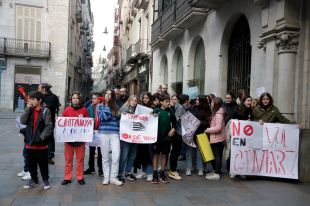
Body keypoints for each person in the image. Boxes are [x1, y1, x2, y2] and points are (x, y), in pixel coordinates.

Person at [20, 91, 53, 190]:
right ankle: (34, 179)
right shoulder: (30, 110)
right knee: (31, 164)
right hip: (29, 143)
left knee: (43, 164)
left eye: (33, 99)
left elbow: (49, 126)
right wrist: (28, 109)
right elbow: (23, 121)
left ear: (39, 100)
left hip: (41, 144)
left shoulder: (45, 111)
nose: (31, 101)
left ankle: (45, 180)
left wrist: (41, 138)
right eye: (30, 99)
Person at [61, 91, 89, 185]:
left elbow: (88, 124)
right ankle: (67, 177)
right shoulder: (67, 110)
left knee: (80, 159)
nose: (75, 100)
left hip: (80, 140)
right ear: (71, 99)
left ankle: (80, 177)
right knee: (68, 159)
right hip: (69, 140)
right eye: (73, 98)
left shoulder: (84, 110)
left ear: (79, 99)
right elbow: (62, 123)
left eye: (76, 98)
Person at [98, 89, 123, 186]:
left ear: (112, 96)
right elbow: (103, 118)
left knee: (116, 156)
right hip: (103, 133)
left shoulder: (116, 107)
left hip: (114, 133)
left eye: (110, 94)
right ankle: (106, 177)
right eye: (106, 94)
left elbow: (118, 120)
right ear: (104, 96)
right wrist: (107, 106)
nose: (108, 96)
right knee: (105, 157)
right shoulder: (100, 106)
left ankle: (113, 177)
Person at [152, 94, 176, 184]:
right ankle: (155, 173)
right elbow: (150, 121)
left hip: (166, 137)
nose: (168, 103)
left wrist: (173, 130)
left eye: (168, 101)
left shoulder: (171, 111)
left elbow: (175, 123)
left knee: (164, 155)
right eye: (166, 101)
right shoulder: (156, 111)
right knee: (156, 155)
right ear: (161, 102)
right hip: (157, 136)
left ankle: (162, 173)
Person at [187, 95, 211, 177]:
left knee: (200, 151)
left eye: (198, 100)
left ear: (202, 101)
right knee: (190, 151)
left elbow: (207, 123)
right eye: (196, 99)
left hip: (201, 132)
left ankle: (200, 168)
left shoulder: (207, 110)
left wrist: (198, 122)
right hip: (191, 133)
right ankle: (190, 168)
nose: (196, 101)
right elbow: (187, 117)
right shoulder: (192, 108)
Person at [37, 83, 60, 165]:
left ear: (44, 89)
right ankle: (45, 153)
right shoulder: (39, 96)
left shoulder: (53, 97)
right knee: (44, 136)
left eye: (39, 88)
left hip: (49, 121)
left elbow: (52, 108)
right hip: (40, 120)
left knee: (49, 137)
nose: (37, 89)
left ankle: (49, 155)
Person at [118, 95, 138, 183]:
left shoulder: (138, 110)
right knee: (124, 155)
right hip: (126, 136)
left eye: (135, 100)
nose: (134, 102)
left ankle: (128, 172)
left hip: (136, 137)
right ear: (129, 101)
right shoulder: (124, 109)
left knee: (132, 156)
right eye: (132, 100)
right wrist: (123, 115)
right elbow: (118, 116)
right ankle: (120, 173)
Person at [134, 92, 154, 181]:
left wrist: (154, 115)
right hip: (141, 134)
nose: (145, 99)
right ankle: (143, 171)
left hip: (149, 135)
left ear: (150, 99)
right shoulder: (139, 107)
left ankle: (150, 173)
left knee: (149, 153)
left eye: (147, 98)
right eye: (144, 98)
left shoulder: (153, 108)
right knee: (141, 153)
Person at [168, 94, 189, 180]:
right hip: (176, 132)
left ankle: (173, 169)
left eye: (175, 99)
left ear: (178, 100)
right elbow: (176, 119)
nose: (174, 100)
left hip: (177, 131)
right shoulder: (178, 107)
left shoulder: (177, 107)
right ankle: (173, 170)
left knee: (175, 151)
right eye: (172, 99)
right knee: (175, 151)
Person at [205, 97, 226, 180]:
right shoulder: (218, 112)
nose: (211, 104)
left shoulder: (218, 114)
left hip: (217, 138)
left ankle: (216, 173)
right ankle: (216, 171)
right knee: (217, 155)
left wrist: (207, 130)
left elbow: (218, 127)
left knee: (217, 155)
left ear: (216, 104)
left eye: (212, 102)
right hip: (217, 137)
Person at [84, 92, 103, 176]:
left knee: (100, 151)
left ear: (99, 99)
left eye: (94, 98)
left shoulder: (102, 107)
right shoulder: (89, 108)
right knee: (91, 151)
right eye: (92, 98)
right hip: (91, 131)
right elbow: (86, 117)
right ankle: (91, 168)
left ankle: (101, 169)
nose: (92, 100)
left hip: (100, 131)